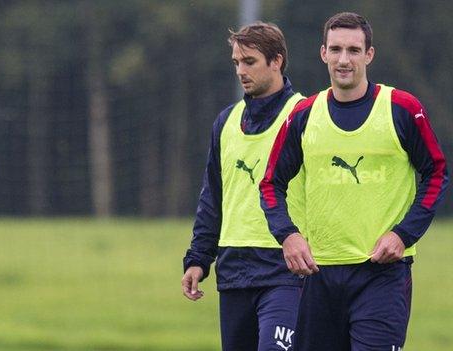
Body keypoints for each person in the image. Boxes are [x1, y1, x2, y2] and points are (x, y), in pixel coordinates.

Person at [260, 12, 448, 350]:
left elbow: (437, 173)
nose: (343, 60)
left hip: (382, 274)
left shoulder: (402, 109)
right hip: (319, 275)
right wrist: (287, 235)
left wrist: (403, 234)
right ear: (323, 53)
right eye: (336, 50)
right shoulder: (303, 115)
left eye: (353, 50)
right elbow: (270, 183)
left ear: (369, 55)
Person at [181, 22, 305, 351]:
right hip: (234, 270)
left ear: (276, 61)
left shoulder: (305, 115)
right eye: (236, 62)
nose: (240, 71)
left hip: (286, 270)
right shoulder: (226, 121)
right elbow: (213, 198)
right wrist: (198, 258)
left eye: (249, 61)